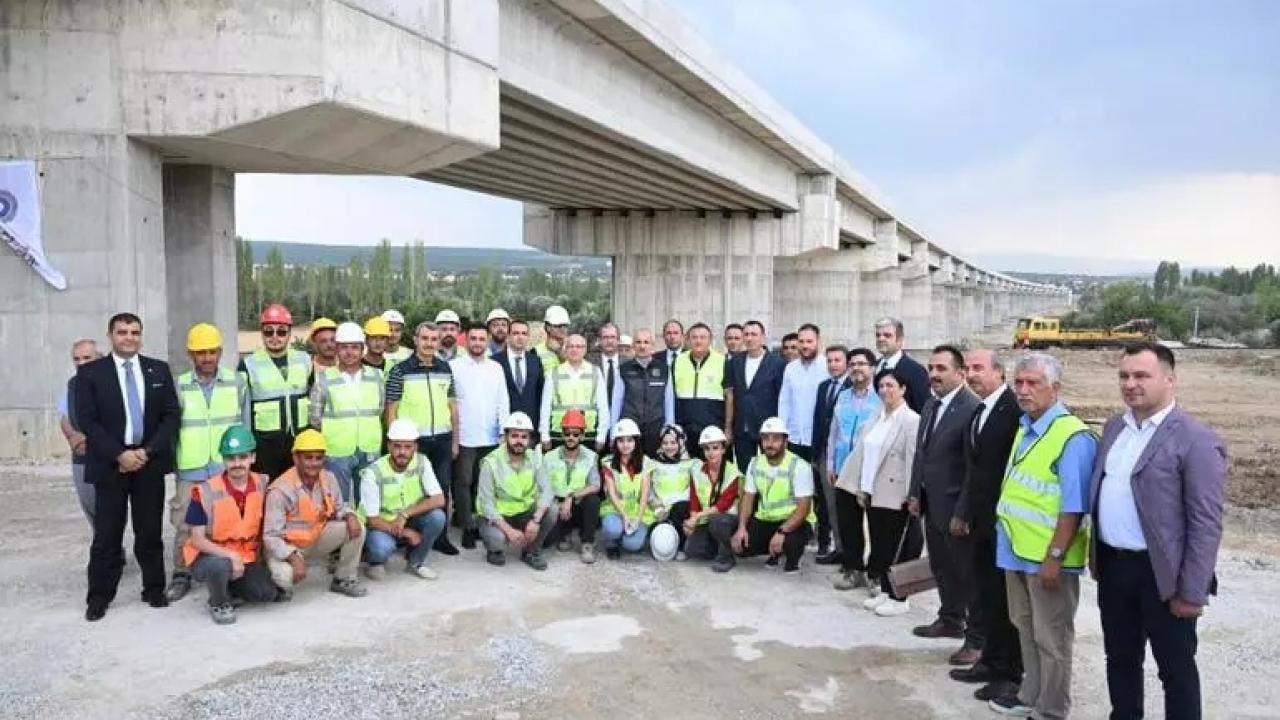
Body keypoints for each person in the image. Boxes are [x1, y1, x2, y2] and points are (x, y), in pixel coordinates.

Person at [1091, 343, 1226, 720]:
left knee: (1176, 670)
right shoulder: (1116, 427)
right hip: (1115, 567)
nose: (1130, 384)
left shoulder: (1195, 439)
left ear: (1170, 379)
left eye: (1141, 376)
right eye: (1124, 376)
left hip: (1164, 575)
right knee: (1119, 658)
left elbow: (1205, 523)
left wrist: (1192, 590)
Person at [988, 352, 1097, 720]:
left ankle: (1051, 709)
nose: (1023, 390)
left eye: (1033, 383)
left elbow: (1073, 506)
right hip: (1017, 550)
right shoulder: (1026, 426)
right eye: (1018, 382)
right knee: (1025, 628)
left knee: (1052, 639)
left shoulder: (1073, 437)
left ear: (1056, 388)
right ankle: (1029, 694)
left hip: (1048, 559)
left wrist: (1054, 556)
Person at [79, 312, 181, 622]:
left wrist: (145, 452)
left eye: (135, 332)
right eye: (122, 332)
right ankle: (99, 596)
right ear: (111, 336)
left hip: (147, 465)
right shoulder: (91, 373)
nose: (129, 337)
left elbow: (171, 416)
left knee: (149, 532)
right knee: (107, 535)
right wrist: (119, 455)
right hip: (110, 467)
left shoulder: (158, 370)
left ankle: (153, 589)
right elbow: (87, 420)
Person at [950, 348, 1024, 702]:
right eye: (968, 368)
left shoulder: (1014, 411)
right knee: (986, 596)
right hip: (980, 522)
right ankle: (990, 661)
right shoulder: (981, 409)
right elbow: (974, 469)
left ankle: (1010, 673)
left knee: (1006, 602)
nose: (971, 374)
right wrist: (964, 512)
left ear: (999, 373)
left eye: (978, 368)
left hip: (1005, 522)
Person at [907, 345, 982, 661]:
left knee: (968, 574)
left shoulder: (971, 409)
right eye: (931, 368)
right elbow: (921, 454)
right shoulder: (930, 405)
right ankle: (950, 618)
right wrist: (914, 492)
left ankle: (976, 639)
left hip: (956, 510)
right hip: (930, 503)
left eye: (941, 369)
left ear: (961, 373)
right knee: (941, 566)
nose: (933, 374)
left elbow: (973, 467)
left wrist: (963, 511)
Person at [166, 323, 247, 603]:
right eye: (201, 353)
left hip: (227, 465)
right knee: (185, 522)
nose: (207, 358)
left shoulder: (237, 382)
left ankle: (229, 570)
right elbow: (172, 428)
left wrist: (243, 460)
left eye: (212, 352)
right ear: (191, 354)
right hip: (191, 465)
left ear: (220, 352)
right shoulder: (179, 385)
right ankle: (180, 574)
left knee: (228, 520)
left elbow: (243, 426)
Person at [836, 368, 922, 617]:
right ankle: (885, 590)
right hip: (873, 489)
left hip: (896, 493)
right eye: (881, 386)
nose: (885, 390)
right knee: (881, 545)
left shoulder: (910, 420)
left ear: (903, 389)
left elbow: (912, 460)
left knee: (896, 546)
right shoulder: (876, 416)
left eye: (891, 386)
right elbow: (865, 454)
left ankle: (900, 597)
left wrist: (911, 495)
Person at [181, 425, 279, 624]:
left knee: (265, 594)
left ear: (252, 457)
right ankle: (219, 602)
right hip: (208, 556)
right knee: (219, 566)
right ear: (223, 460)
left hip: (246, 556)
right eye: (230, 458)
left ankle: (229, 586)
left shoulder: (263, 483)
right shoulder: (204, 491)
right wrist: (230, 555)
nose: (237, 463)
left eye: (242, 457)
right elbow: (197, 540)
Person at [383, 321, 460, 556]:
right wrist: (395, 442)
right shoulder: (400, 370)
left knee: (442, 489)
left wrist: (455, 440)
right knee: (413, 490)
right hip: (414, 442)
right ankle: (406, 536)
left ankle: (440, 538)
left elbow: (453, 407)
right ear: (415, 340)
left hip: (442, 439)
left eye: (433, 339)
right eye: (424, 338)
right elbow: (391, 409)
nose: (429, 343)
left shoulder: (445, 368)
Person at [263, 429, 367, 599]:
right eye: (308, 458)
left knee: (358, 528)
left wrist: (350, 515)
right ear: (296, 458)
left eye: (319, 458)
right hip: (289, 547)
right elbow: (270, 537)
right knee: (283, 578)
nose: (314, 463)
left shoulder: (329, 478)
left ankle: (343, 579)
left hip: (315, 539)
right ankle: (277, 585)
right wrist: (293, 557)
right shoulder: (280, 490)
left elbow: (340, 507)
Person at [359, 419, 448, 581]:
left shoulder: (422, 461)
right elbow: (372, 520)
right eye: (397, 446)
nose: (402, 452)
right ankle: (374, 562)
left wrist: (405, 514)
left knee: (438, 517)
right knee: (381, 547)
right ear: (388, 446)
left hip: (409, 519)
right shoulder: (372, 473)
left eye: (407, 447)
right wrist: (405, 532)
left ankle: (416, 562)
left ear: (415, 447)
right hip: (381, 524)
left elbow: (439, 499)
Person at [727, 417, 815, 573]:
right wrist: (741, 528)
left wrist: (782, 532)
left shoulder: (799, 466)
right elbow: (747, 499)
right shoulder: (755, 463)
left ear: (785, 441)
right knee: (740, 546)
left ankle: (791, 558)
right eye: (766, 438)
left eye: (775, 439)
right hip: (765, 519)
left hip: (793, 522)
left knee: (791, 543)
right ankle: (772, 550)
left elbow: (803, 510)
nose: (770, 443)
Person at [309, 322, 384, 504]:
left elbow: (380, 410)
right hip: (337, 450)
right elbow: (315, 418)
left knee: (368, 501)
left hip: (369, 448)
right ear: (336, 348)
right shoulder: (324, 378)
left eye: (354, 347)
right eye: (344, 347)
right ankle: (341, 533)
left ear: (362, 349)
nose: (349, 352)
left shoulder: (377, 377)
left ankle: (366, 532)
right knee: (337, 502)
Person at [451, 323, 511, 549]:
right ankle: (468, 526)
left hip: (491, 436)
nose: (477, 343)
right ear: (465, 340)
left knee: (484, 483)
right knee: (464, 482)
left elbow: (503, 400)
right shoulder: (454, 367)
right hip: (466, 435)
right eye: (473, 338)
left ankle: (485, 522)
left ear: (487, 341)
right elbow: (452, 404)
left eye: (481, 339)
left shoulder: (496, 367)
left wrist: (504, 430)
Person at [828, 347, 882, 588]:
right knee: (848, 524)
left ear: (872, 368)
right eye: (853, 364)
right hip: (843, 469)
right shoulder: (843, 396)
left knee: (876, 524)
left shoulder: (881, 397)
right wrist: (830, 463)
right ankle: (854, 569)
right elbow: (834, 432)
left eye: (862, 363)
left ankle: (876, 574)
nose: (857, 368)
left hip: (871, 471)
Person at [239, 303, 311, 479]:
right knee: (266, 493)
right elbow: (243, 409)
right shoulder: (249, 364)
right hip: (264, 445)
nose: (275, 337)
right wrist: (248, 445)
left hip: (298, 441)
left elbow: (312, 398)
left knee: (297, 492)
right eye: (269, 331)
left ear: (289, 333)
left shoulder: (304, 360)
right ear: (262, 333)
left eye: (281, 331)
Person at [476, 412, 554, 570]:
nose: (519, 441)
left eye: (524, 437)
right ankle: (494, 551)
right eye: (515, 436)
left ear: (530, 439)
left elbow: (547, 491)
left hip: (524, 512)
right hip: (497, 516)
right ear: (506, 437)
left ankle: (530, 551)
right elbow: (486, 504)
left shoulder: (535, 458)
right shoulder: (490, 463)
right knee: (497, 539)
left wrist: (536, 520)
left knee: (552, 510)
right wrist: (509, 531)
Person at [778, 324, 829, 547]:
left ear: (818, 342)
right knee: (797, 488)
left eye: (809, 341)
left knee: (821, 492)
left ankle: (824, 538)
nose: (805, 346)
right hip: (795, 439)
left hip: (817, 440)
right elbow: (784, 402)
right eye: (802, 341)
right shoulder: (791, 369)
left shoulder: (827, 366)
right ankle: (798, 533)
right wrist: (783, 433)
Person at [538, 409, 601, 564]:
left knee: (593, 500)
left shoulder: (591, 457)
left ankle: (587, 544)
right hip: (556, 506)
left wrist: (571, 496)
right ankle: (564, 533)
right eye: (567, 433)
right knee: (545, 543)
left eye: (575, 434)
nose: (571, 437)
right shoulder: (549, 457)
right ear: (562, 435)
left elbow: (595, 485)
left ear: (582, 435)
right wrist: (556, 504)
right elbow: (542, 487)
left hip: (578, 505)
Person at [723, 319, 786, 473]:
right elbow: (730, 395)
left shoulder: (777, 363)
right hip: (742, 428)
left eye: (754, 334)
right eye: (746, 334)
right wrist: (728, 427)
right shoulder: (734, 362)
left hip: (769, 428)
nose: (750, 338)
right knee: (745, 471)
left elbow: (782, 398)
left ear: (763, 337)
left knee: (771, 470)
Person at [812, 344, 852, 563]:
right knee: (830, 504)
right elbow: (818, 421)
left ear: (846, 363)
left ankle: (851, 552)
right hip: (824, 454)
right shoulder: (823, 387)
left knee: (847, 506)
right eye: (829, 361)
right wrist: (815, 454)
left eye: (837, 360)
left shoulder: (853, 387)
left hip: (845, 454)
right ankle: (838, 548)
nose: (833, 364)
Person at [684, 426, 743, 572]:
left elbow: (722, 505)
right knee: (691, 549)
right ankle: (721, 547)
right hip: (708, 520)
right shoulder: (697, 471)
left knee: (718, 520)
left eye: (715, 448)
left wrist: (697, 516)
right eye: (707, 448)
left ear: (724, 449)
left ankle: (726, 557)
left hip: (729, 521)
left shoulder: (733, 473)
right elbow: (694, 500)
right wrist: (692, 523)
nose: (711, 453)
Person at [540, 333, 610, 452]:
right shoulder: (553, 373)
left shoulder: (595, 372)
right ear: (565, 349)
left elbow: (603, 407)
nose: (574, 350)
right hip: (559, 434)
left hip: (588, 434)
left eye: (579, 346)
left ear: (585, 350)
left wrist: (602, 436)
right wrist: (544, 434)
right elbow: (545, 406)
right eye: (571, 346)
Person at [600, 418, 655, 559]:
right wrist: (624, 516)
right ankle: (611, 543)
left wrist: (637, 519)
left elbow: (645, 495)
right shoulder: (608, 463)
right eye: (621, 440)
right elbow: (611, 494)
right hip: (615, 510)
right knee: (613, 530)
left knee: (633, 545)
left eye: (630, 440)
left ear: (636, 442)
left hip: (638, 512)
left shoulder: (646, 462)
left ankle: (629, 535)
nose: (625, 445)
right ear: (615, 443)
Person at [671, 323, 726, 459]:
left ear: (710, 340)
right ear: (688, 339)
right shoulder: (678, 361)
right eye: (694, 337)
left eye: (703, 337)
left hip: (713, 427)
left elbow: (729, 396)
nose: (698, 340)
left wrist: (728, 427)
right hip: (685, 427)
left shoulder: (722, 361)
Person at [617, 327, 675, 456]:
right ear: (633, 346)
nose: (642, 346)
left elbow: (669, 401)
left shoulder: (664, 369)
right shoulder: (623, 369)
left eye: (646, 342)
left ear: (652, 346)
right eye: (638, 342)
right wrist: (614, 430)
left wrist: (669, 428)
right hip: (630, 429)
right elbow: (617, 401)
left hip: (656, 428)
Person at [59, 338, 99, 524]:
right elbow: (64, 416)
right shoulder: (72, 385)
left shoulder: (111, 382)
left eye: (86, 357)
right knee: (89, 506)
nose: (81, 363)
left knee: (109, 511)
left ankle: (110, 550)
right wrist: (73, 437)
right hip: (81, 456)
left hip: (107, 457)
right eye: (76, 358)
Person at [650, 424, 694, 558]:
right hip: (658, 510)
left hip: (680, 509)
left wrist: (672, 504)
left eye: (673, 442)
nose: (669, 447)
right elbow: (649, 488)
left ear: (681, 442)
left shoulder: (691, 464)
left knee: (680, 509)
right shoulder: (652, 463)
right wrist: (656, 504)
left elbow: (692, 488)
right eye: (665, 443)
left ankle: (681, 547)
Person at [494, 319, 545, 431]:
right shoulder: (495, 362)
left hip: (531, 427)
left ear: (528, 337)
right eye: (516, 333)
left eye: (524, 333)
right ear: (508, 336)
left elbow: (540, 394)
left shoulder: (535, 361)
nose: (520, 337)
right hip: (504, 427)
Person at [872, 317, 931, 413]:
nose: (881, 339)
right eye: (878, 335)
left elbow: (922, 408)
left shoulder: (915, 370)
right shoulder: (873, 366)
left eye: (887, 335)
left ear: (900, 340)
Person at [590, 322, 625, 443]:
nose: (609, 341)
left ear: (618, 340)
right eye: (605, 337)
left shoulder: (628, 363)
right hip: (595, 422)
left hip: (621, 420)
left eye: (612, 337)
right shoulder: (589, 363)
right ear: (599, 340)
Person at [534, 305, 570, 373]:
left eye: (565, 325)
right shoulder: (535, 352)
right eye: (558, 326)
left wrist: (559, 352)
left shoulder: (575, 347)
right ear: (548, 327)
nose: (563, 329)